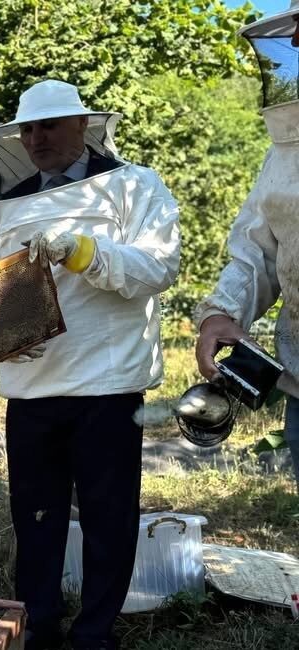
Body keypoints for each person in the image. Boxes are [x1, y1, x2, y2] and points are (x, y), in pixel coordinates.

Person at [0, 79, 181, 650]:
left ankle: (94, 634)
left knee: (109, 519)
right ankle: (38, 624)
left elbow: (156, 269)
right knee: (35, 516)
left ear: (82, 125)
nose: (36, 138)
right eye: (28, 129)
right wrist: (0, 335)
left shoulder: (135, 185)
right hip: (31, 389)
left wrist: (82, 249)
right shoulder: (4, 207)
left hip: (109, 385)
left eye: (49, 125)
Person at [194, 1, 299, 486]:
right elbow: (259, 248)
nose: (296, 43)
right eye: (296, 31)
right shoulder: (286, 148)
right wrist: (223, 311)